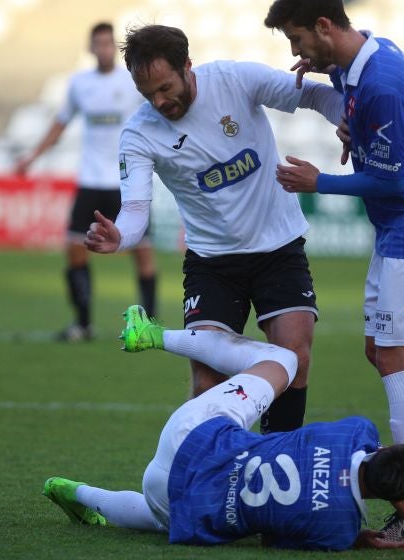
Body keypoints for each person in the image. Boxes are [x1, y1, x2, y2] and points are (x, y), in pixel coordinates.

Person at [263, 0, 404, 541]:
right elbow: (358, 92)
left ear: (323, 26)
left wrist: (320, 183)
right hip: (402, 231)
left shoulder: (379, 81)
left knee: (398, 355)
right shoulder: (370, 53)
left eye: (297, 40)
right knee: (380, 351)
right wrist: (327, 74)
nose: (295, 53)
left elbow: (394, 181)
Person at [84, 24, 344, 434]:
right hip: (212, 263)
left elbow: (314, 94)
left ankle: (275, 463)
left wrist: (349, 121)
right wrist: (120, 237)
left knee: (295, 357)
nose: (159, 101)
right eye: (147, 93)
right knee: (208, 382)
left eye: (165, 87)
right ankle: (199, 478)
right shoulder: (138, 133)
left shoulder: (234, 80)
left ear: (188, 66)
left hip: (279, 248)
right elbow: (134, 210)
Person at [43, 305, 404, 550]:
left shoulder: (352, 435)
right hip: (178, 500)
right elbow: (276, 538)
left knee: (285, 361)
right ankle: (79, 492)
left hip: (192, 436)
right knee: (160, 518)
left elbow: (378, 459)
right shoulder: (336, 530)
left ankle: (152, 334)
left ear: (382, 450)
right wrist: (365, 538)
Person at [15, 22, 157, 342]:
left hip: (125, 182)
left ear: (115, 47)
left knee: (142, 251)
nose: (104, 49)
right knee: (75, 250)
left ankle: (149, 322)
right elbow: (60, 122)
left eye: (109, 43)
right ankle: (83, 323)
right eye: (99, 44)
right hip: (91, 181)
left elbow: (156, 118)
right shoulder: (80, 84)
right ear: (91, 48)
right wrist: (32, 157)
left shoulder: (132, 80)